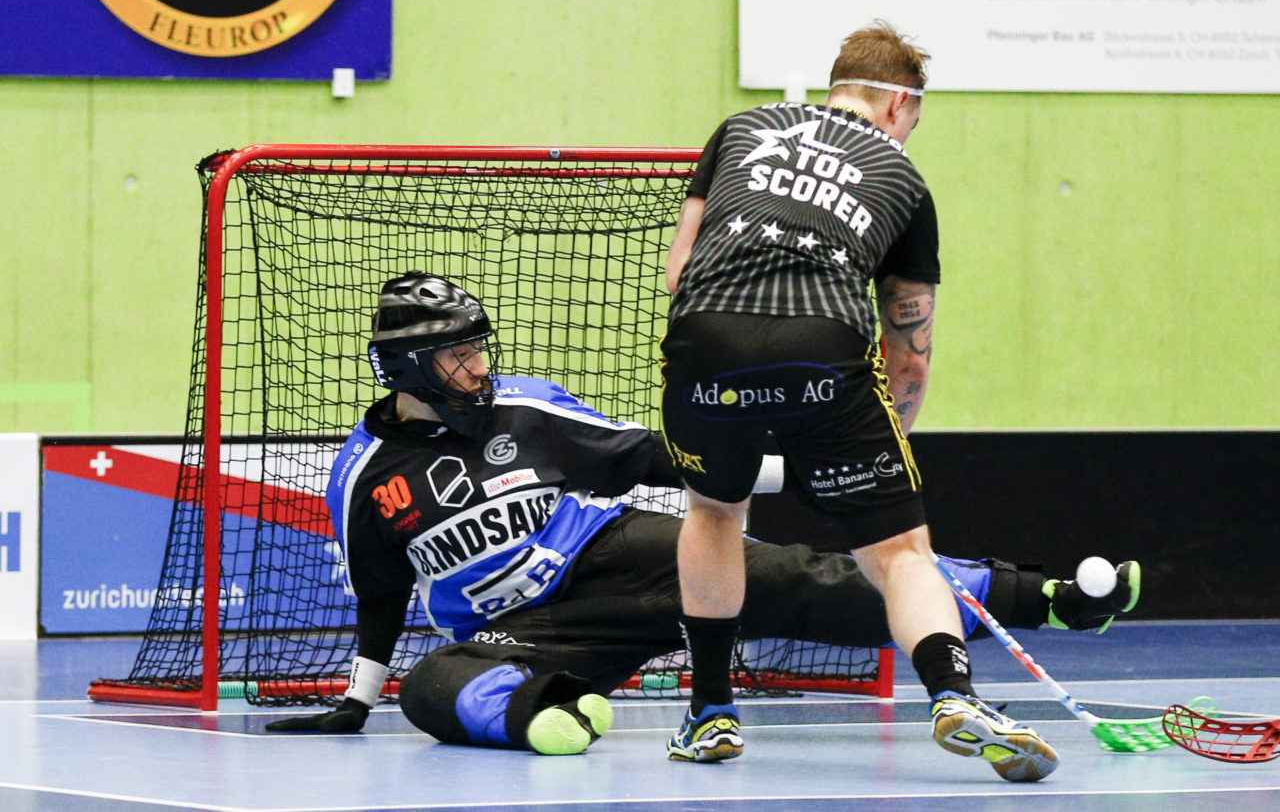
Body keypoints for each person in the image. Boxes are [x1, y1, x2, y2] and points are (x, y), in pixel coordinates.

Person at [266, 271, 1141, 773]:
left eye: (479, 349)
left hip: (624, 556)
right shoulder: (363, 476)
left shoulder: (526, 409)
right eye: (458, 355)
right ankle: (545, 714)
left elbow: (662, 459)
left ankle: (1050, 598)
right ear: (410, 366)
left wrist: (810, 471)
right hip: (526, 634)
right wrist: (356, 703)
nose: (478, 368)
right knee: (431, 686)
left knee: (811, 582)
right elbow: (381, 598)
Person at [659, 20, 1059, 779]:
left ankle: (710, 713)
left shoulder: (742, 128)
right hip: (823, 349)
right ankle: (953, 695)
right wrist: (880, 459)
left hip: (704, 344)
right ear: (900, 105)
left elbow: (680, 269)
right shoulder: (904, 179)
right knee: (901, 551)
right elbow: (908, 350)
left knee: (712, 513)